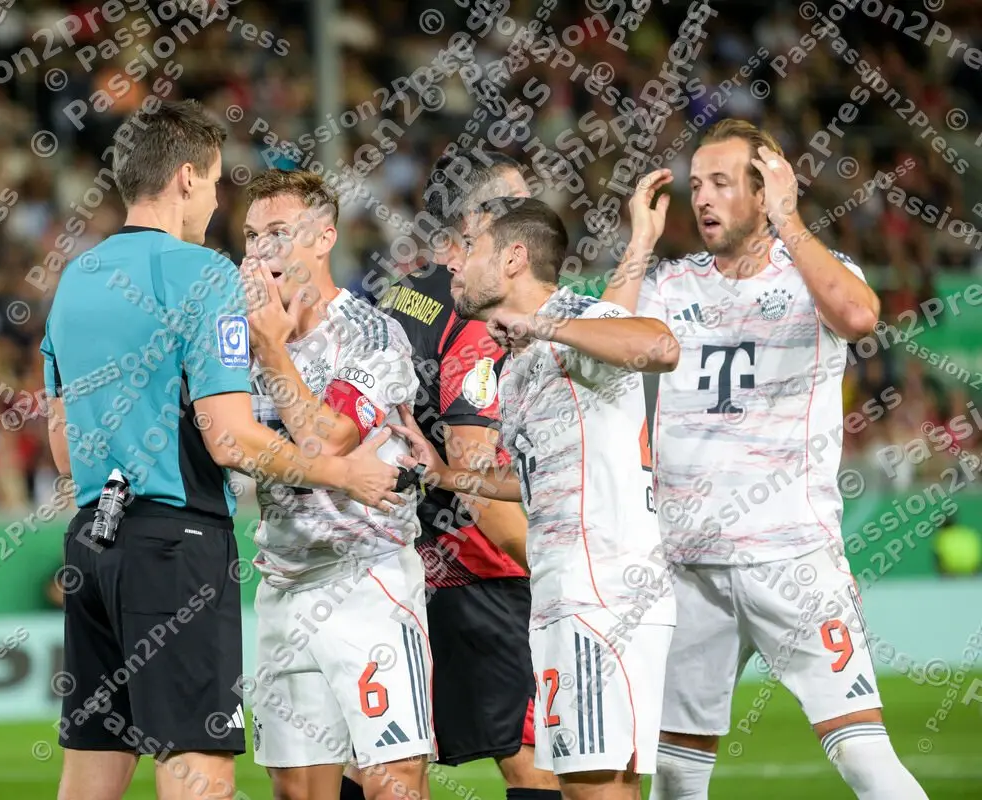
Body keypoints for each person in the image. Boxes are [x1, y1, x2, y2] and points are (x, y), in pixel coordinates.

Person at [40, 101, 402, 800]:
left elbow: (62, 450)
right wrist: (338, 471)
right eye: (211, 184)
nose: (213, 203)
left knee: (92, 770)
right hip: (175, 545)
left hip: (92, 541)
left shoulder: (74, 280)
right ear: (185, 178)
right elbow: (230, 436)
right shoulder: (201, 273)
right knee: (199, 768)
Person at [600, 118, 929, 800]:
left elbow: (860, 317)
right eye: (697, 185)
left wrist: (790, 219)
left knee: (864, 759)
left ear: (765, 187)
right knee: (675, 775)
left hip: (793, 561)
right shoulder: (671, 283)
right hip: (688, 564)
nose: (703, 197)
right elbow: (602, 345)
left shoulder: (815, 275)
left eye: (722, 182)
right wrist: (639, 242)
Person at [393, 196, 680, 800]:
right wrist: (444, 474)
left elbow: (661, 346)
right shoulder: (517, 362)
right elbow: (528, 478)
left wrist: (544, 326)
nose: (454, 263)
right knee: (595, 786)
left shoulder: (574, 318)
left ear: (513, 258)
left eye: (472, 248)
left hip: (600, 591)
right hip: (566, 590)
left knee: (593, 789)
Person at [238, 169, 432, 800]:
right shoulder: (236, 340)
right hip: (282, 578)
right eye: (250, 237)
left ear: (324, 238)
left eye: (276, 232)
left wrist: (272, 351)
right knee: (297, 789)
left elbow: (327, 442)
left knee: (392, 779)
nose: (259, 250)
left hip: (367, 577)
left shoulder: (370, 333)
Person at [375, 150, 561, 800]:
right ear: (479, 221)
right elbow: (475, 467)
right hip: (484, 570)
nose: (533, 217)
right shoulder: (478, 313)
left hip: (411, 559)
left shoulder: (401, 297)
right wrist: (553, 564)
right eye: (518, 205)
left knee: (385, 760)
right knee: (536, 758)